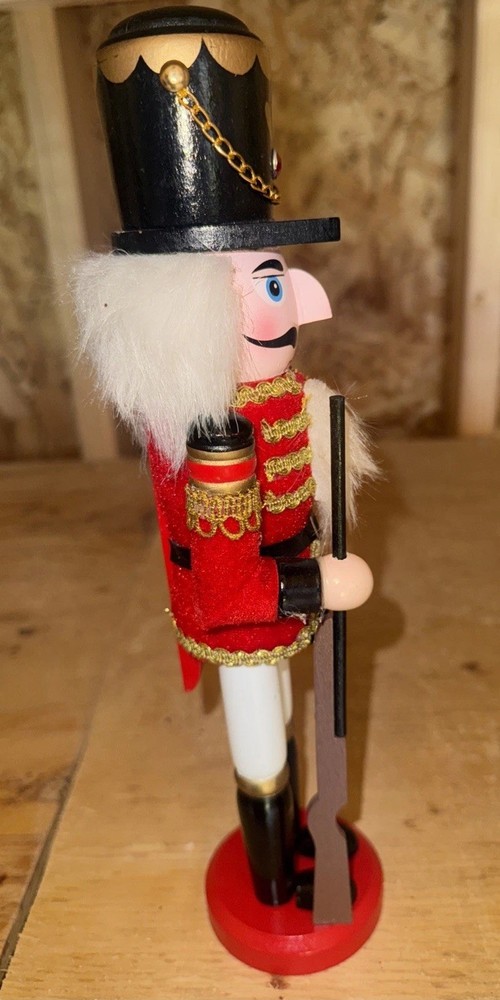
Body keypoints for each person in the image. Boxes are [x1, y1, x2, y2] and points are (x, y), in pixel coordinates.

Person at [74, 6, 376, 911]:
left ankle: (296, 847)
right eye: (269, 285)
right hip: (246, 623)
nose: (295, 304)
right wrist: (320, 584)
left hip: (281, 604)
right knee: (261, 740)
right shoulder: (213, 438)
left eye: (277, 277)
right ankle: (274, 880)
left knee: (280, 721)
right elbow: (228, 585)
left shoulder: (275, 400)